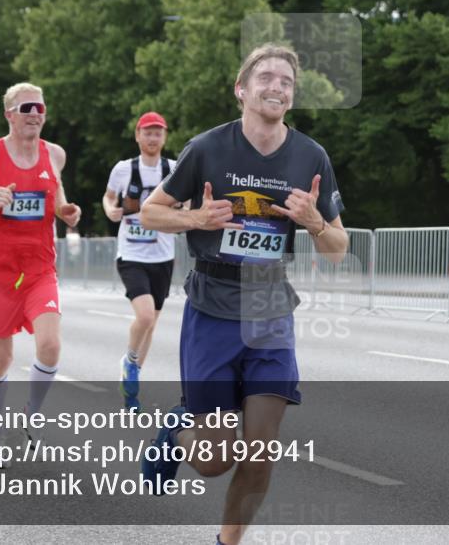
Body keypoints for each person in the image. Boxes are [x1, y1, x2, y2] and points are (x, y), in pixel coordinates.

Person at [139, 44, 348, 545]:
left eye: (286, 83)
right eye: (267, 78)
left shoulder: (310, 156)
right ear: (242, 90)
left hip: (269, 303)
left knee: (260, 451)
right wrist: (195, 218)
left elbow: (338, 248)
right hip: (212, 303)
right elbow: (150, 212)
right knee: (213, 461)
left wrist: (313, 221)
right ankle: (178, 427)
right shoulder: (208, 148)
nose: (277, 87)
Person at [0, 82, 81, 454]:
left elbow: (57, 201)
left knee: (51, 345)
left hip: (40, 267)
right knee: (0, 357)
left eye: (40, 108)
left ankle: (32, 416)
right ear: (9, 114)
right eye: (26, 108)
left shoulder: (54, 154)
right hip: (0, 270)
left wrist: (66, 212)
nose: (35, 114)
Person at [103, 111, 178, 410]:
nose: (152, 137)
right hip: (131, 253)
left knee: (152, 323)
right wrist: (110, 209)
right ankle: (130, 361)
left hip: (163, 255)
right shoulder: (124, 169)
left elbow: (185, 201)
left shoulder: (173, 169)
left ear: (164, 137)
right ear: (137, 135)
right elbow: (109, 197)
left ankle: (131, 389)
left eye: (158, 132)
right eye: (147, 132)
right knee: (144, 316)